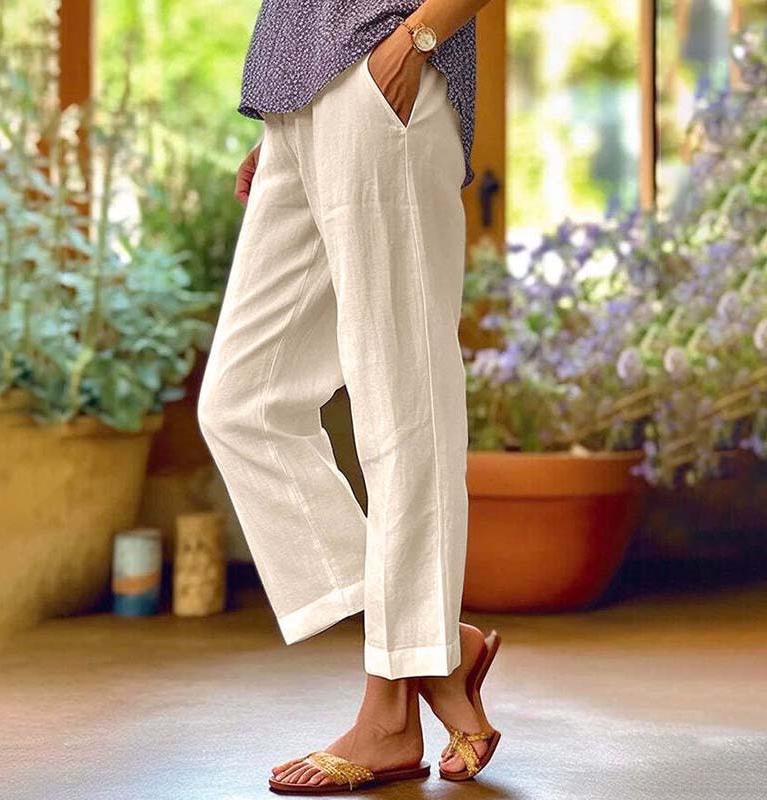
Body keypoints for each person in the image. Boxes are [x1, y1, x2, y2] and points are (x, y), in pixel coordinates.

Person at [198, 0, 502, 792]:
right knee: (242, 402)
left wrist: (416, 40)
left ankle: (391, 713)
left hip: (386, 71)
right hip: (299, 97)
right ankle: (431, 651)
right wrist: (289, 107)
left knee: (402, 406)